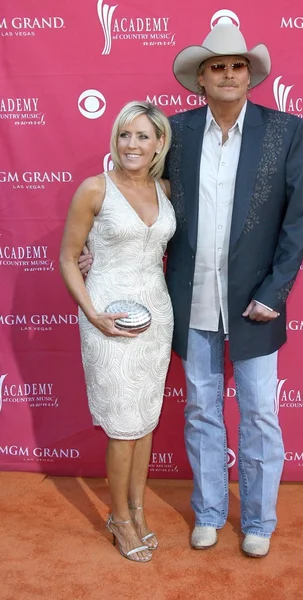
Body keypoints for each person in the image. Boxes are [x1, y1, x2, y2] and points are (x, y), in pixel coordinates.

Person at [80, 18, 303, 558]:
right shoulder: (177, 133)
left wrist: (275, 293)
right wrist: (99, 246)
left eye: (237, 66)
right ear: (201, 79)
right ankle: (208, 512)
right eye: (217, 67)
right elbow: (136, 193)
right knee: (201, 410)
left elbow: (298, 221)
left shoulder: (285, 130)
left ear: (250, 76)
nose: (228, 74)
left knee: (258, 412)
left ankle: (258, 521)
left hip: (258, 303)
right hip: (189, 300)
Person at [60, 101, 176, 563]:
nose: (132, 144)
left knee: (145, 422)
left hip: (157, 315)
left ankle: (138, 509)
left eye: (143, 136)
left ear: (159, 144)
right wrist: (91, 312)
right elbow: (70, 257)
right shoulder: (94, 189)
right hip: (107, 317)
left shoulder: (165, 189)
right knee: (123, 427)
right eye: (125, 135)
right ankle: (120, 518)